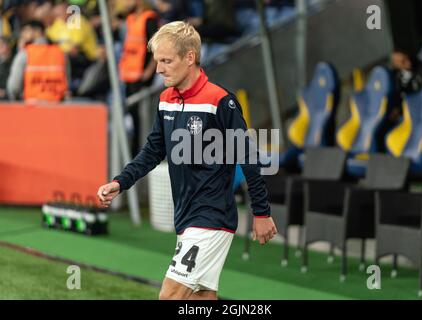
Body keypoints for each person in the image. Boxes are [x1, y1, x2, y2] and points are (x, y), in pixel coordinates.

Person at [97, 21, 277, 300]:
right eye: (157, 61)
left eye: (167, 61)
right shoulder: (166, 99)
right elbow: (153, 151)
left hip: (211, 216)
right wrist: (121, 182)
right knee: (200, 299)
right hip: (186, 216)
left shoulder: (220, 101)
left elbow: (248, 156)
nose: (158, 69)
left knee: (169, 296)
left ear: (189, 57)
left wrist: (261, 212)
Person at [119, 0, 159, 156]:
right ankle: (133, 152)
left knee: (140, 118)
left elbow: (155, 45)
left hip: (141, 77)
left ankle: (139, 153)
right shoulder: (130, 19)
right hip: (128, 74)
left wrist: (149, 71)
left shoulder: (149, 18)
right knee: (132, 117)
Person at [7, 20, 70, 102]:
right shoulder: (61, 54)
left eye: (26, 31)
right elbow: (66, 81)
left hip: (31, 107)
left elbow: (14, 87)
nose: (23, 35)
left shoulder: (24, 54)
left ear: (37, 32)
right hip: (56, 106)